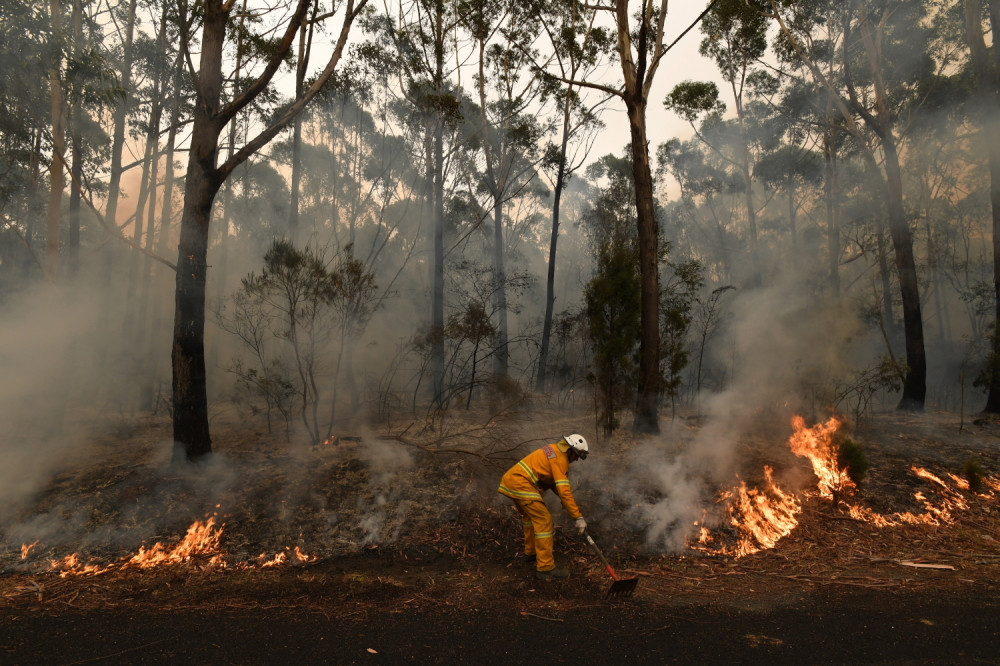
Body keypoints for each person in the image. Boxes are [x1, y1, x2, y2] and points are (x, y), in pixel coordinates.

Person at [497, 434, 589, 580]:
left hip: (512, 480)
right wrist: (578, 517)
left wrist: (565, 502)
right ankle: (545, 568)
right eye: (577, 455)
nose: (577, 459)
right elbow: (564, 491)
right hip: (522, 484)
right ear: (569, 450)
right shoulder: (561, 460)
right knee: (544, 520)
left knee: (529, 517)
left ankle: (531, 553)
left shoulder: (553, 450)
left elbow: (551, 481)